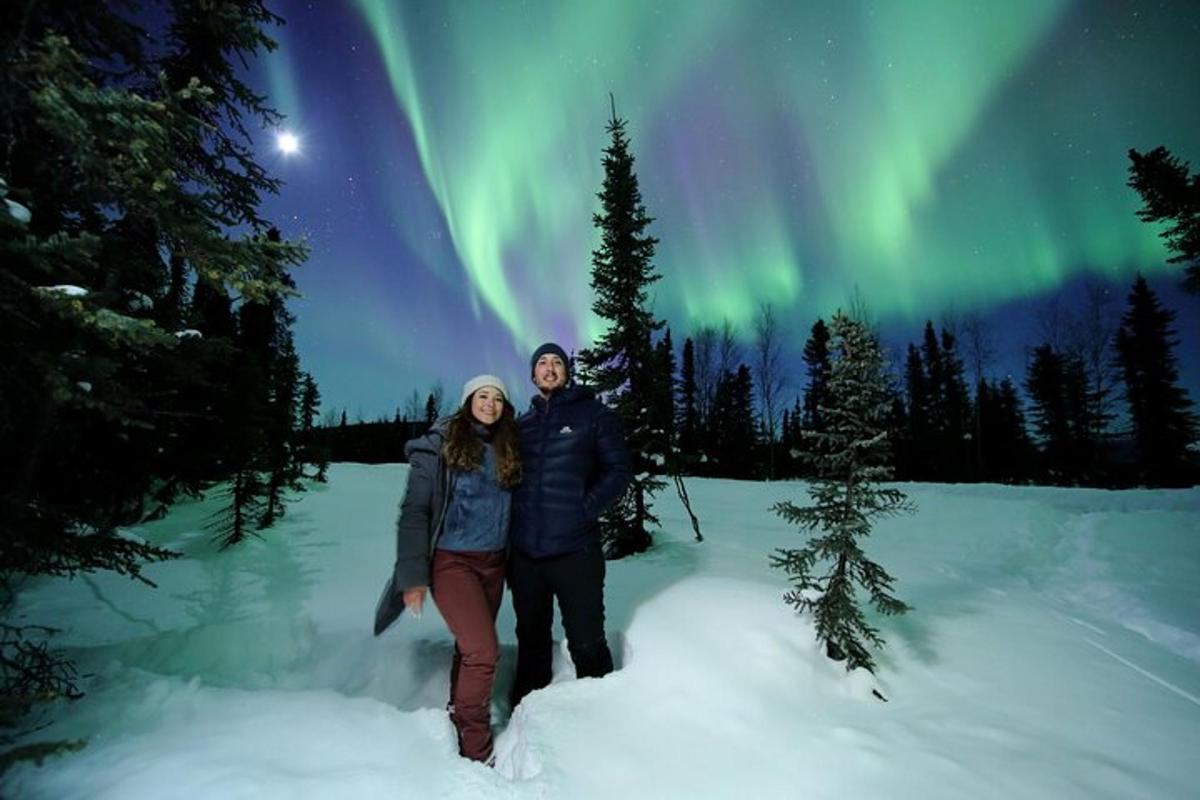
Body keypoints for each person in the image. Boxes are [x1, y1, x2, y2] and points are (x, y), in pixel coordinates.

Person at [373, 374, 521, 764]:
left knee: (470, 650)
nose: (490, 403)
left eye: (498, 398)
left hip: (494, 563)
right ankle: (476, 748)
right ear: (468, 399)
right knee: (484, 651)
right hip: (452, 562)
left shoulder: (508, 445)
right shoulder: (440, 446)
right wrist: (414, 578)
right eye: (483, 395)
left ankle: (459, 712)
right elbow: (414, 512)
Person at [507, 342, 632, 710]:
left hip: (576, 551)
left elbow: (619, 470)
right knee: (530, 640)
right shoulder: (521, 426)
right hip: (527, 556)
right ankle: (525, 717)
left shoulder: (593, 415)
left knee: (586, 640)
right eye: (542, 363)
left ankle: (600, 719)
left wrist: (585, 508)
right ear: (532, 374)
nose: (549, 368)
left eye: (556, 362)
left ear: (566, 372)